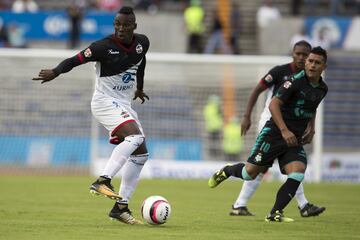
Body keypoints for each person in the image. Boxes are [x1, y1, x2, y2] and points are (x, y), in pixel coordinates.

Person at [33, 6, 150, 225]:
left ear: (134, 26)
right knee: (135, 138)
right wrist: (55, 72)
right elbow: (74, 60)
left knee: (141, 155)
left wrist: (139, 87)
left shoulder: (143, 42)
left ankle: (120, 207)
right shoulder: (102, 47)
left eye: (126, 25)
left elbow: (141, 62)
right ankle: (102, 181)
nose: (121, 28)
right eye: (117, 24)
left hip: (123, 103)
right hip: (104, 102)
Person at [209, 46, 328, 222]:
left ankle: (275, 213)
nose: (311, 65)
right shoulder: (293, 81)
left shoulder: (322, 89)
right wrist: (284, 130)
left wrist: (312, 128)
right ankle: (227, 171)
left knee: (298, 171)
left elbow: (312, 106)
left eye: (317, 63)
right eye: (310, 61)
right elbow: (273, 105)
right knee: (250, 173)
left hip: (293, 138)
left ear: (324, 66)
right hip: (274, 133)